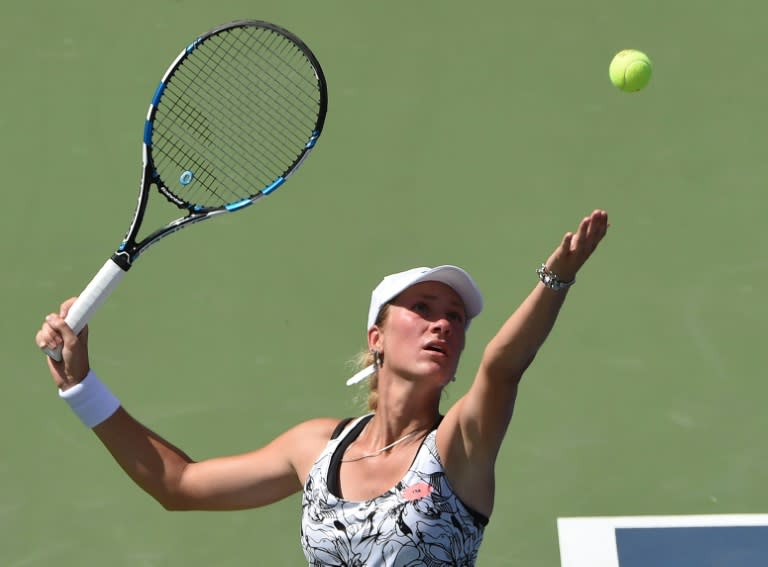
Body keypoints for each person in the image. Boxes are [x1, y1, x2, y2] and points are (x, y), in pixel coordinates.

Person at [35, 209, 609, 566]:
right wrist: (81, 387)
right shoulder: (315, 448)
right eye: (423, 308)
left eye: (456, 318)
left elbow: (503, 367)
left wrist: (555, 280)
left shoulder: (460, 447)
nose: (443, 324)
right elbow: (178, 483)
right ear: (377, 336)